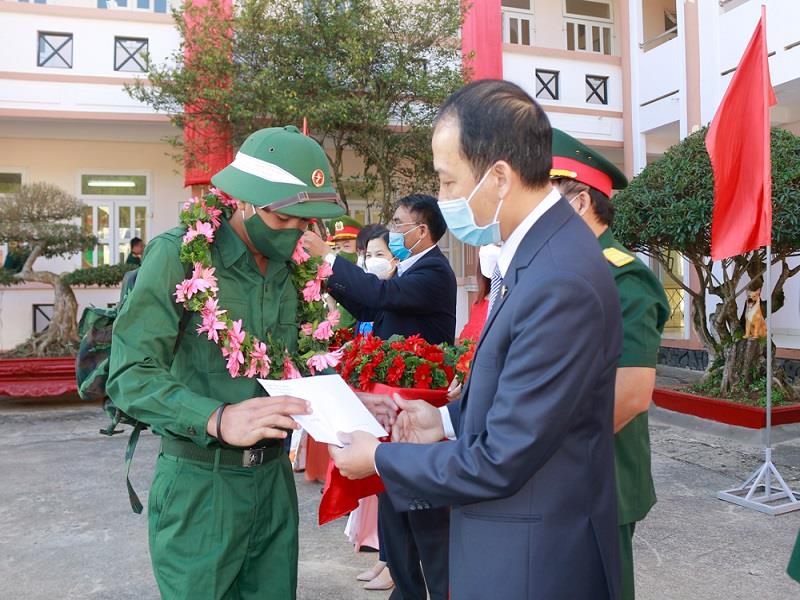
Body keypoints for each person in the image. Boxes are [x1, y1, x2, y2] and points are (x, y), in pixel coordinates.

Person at [329, 80, 624, 599]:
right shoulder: (538, 253)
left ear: (500, 177)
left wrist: (378, 459)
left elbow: (501, 458)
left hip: (535, 565)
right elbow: (518, 394)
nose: (443, 200)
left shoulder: (560, 279)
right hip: (513, 546)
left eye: (447, 182)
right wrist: (442, 418)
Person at [107, 125, 345, 600]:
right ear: (244, 201)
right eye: (286, 220)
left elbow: (307, 358)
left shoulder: (296, 269)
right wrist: (216, 417)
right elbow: (130, 374)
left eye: (307, 222)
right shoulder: (177, 255)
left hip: (273, 484)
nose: (298, 233)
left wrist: (351, 405)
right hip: (202, 486)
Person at [303, 193, 456, 600]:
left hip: (419, 413)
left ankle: (435, 590)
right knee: (393, 508)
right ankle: (404, 590)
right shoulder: (407, 268)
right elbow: (370, 306)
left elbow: (382, 297)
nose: (393, 229)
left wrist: (333, 259)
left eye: (399, 223)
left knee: (423, 517)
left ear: (422, 231)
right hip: (392, 408)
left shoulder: (434, 272)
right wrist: (326, 270)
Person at [550, 128, 669, 600]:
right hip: (561, 476)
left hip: (600, 477)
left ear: (579, 204)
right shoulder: (567, 271)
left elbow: (631, 395)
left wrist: (545, 450)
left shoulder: (624, 278)